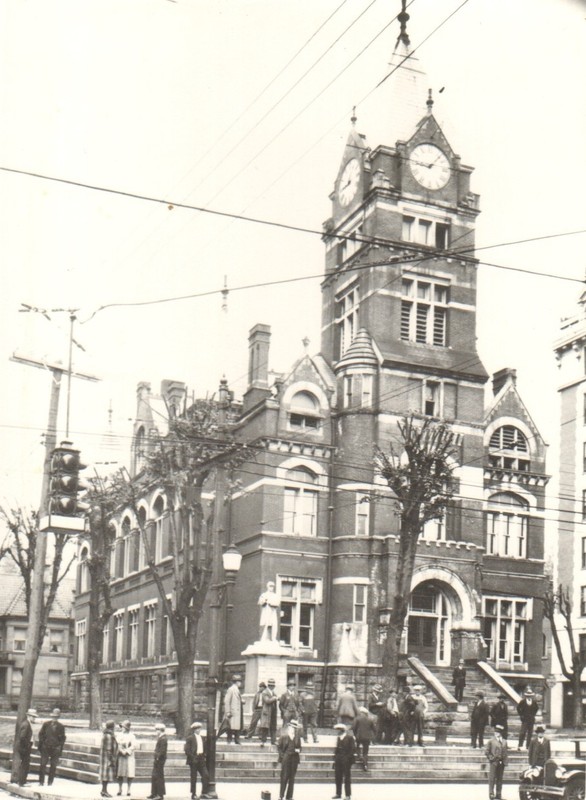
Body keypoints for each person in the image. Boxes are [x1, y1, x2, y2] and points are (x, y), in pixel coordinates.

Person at [38, 707, 66, 786]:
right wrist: (43, 743)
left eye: (56, 717)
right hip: (45, 748)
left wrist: (59, 747)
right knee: (43, 764)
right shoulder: (46, 724)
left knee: (53, 766)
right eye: (53, 717)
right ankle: (41, 782)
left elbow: (63, 738)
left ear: (58, 717)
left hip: (55, 749)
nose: (54, 719)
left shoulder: (61, 726)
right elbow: (41, 734)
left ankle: (50, 782)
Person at [277, 718, 302, 800]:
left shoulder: (297, 737)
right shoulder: (284, 736)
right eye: (292, 727)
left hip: (294, 758)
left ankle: (289, 796)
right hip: (286, 758)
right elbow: (279, 747)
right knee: (284, 777)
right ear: (289, 727)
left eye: (295, 728)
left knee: (292, 778)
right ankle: (281, 796)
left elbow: (300, 747)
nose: (293, 729)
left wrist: (298, 750)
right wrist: (282, 756)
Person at [184, 721, 210, 800]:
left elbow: (205, 748)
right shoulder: (190, 738)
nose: (199, 730)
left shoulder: (202, 738)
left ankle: (204, 792)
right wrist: (193, 757)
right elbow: (187, 750)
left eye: (199, 728)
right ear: (194, 730)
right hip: (194, 759)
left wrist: (204, 755)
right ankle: (193, 794)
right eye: (197, 729)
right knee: (194, 777)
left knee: (206, 775)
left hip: (201, 758)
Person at [332, 722, 355, 800]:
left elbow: (352, 750)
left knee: (347, 777)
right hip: (338, 759)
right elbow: (337, 749)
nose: (337, 732)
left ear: (342, 730)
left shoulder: (350, 738)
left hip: (346, 760)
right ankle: (338, 793)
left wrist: (348, 758)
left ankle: (348, 795)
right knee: (338, 776)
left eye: (338, 730)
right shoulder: (339, 738)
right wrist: (335, 759)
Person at [485, 723, 508, 800]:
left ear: (501, 733)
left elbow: (505, 752)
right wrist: (491, 759)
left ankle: (499, 793)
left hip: (502, 763)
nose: (497, 733)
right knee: (492, 778)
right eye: (496, 732)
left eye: (498, 732)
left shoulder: (504, 741)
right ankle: (491, 793)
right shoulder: (491, 741)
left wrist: (505, 760)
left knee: (500, 779)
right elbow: (487, 752)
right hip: (494, 762)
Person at [16, 708, 37, 786]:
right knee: (24, 764)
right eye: (33, 717)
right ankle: (22, 782)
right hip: (24, 748)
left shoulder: (27, 723)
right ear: (29, 716)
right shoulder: (26, 724)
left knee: (25, 764)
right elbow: (22, 737)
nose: (34, 718)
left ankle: (22, 781)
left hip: (25, 747)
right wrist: (28, 745)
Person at [116, 719, 136, 797]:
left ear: (127, 728)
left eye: (123, 727)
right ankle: (120, 789)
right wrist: (121, 750)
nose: (122, 728)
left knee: (130, 773)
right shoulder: (119, 735)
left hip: (129, 756)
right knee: (120, 773)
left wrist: (127, 751)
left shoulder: (132, 736)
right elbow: (117, 744)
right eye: (121, 727)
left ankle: (129, 789)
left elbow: (134, 745)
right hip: (121, 755)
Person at [147, 723, 167, 800]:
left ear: (160, 730)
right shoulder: (161, 738)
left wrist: (158, 757)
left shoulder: (163, 739)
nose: (156, 731)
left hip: (160, 760)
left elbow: (162, 751)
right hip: (157, 760)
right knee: (154, 776)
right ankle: (154, 793)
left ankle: (160, 794)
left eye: (157, 730)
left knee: (159, 776)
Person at [99, 720, 119, 798]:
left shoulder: (106, 734)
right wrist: (112, 759)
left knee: (105, 775)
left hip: (105, 757)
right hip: (107, 758)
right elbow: (109, 748)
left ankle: (104, 790)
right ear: (112, 727)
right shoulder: (108, 736)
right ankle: (104, 791)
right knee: (106, 775)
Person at [224, 674, 244, 744]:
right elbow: (227, 701)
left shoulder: (237, 690)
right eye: (240, 682)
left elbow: (236, 699)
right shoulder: (231, 689)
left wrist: (241, 701)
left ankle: (237, 740)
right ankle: (229, 740)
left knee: (237, 726)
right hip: (233, 712)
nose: (240, 683)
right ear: (237, 682)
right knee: (230, 727)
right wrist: (228, 712)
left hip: (237, 711)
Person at [258, 677, 279, 746]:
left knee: (273, 727)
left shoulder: (273, 692)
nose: (272, 686)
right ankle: (263, 741)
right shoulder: (265, 692)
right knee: (265, 727)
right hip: (266, 712)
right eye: (270, 685)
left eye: (273, 685)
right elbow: (267, 701)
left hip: (273, 712)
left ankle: (273, 741)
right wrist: (274, 698)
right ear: (268, 685)